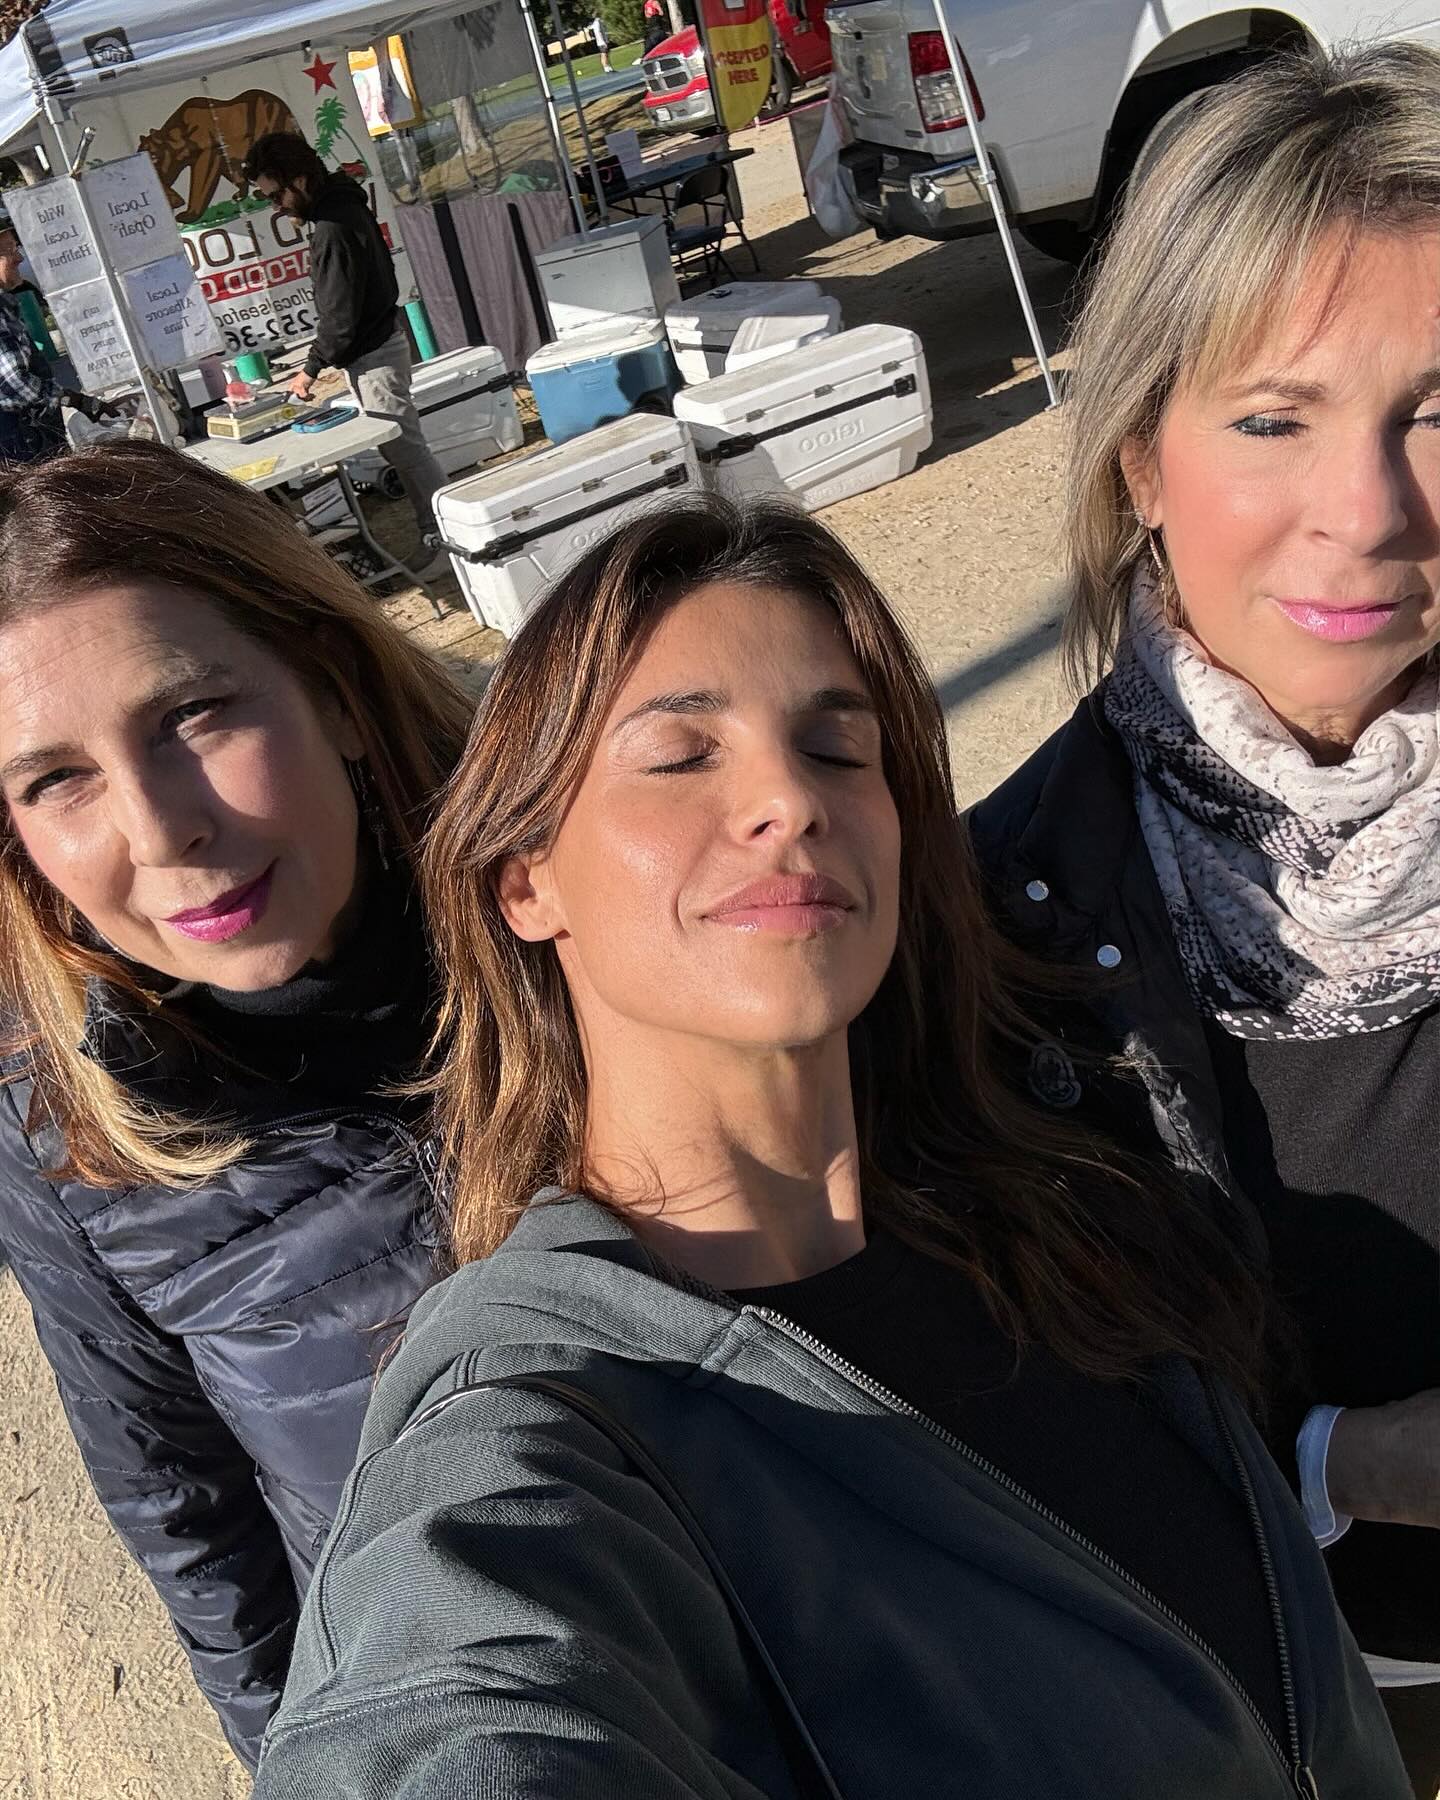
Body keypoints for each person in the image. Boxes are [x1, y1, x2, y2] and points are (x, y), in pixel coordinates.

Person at [254, 497, 1403, 1799]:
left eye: (838, 749)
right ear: (526, 877)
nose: (788, 800)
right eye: (680, 755)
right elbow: (461, 1714)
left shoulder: (1064, 1211)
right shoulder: (546, 1427)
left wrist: (1349, 1460)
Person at [969, 42, 1440, 1799]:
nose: (1370, 512)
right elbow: (999, 1407)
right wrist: (1340, 1463)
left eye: (1437, 409)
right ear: (1140, 458)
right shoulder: (990, 921)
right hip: (1288, 1708)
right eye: (1272, 418)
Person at [0, 441, 472, 1773]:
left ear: (333, 687)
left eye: (194, 715)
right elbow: (179, 1499)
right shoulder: (58, 1121)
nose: (160, 831)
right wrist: (299, 1763)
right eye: (55, 779)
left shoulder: (591, 906)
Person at [239, 132, 447, 565]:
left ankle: (443, 537)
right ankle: (439, 532)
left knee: (405, 449)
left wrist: (311, 368)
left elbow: (340, 316)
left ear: (300, 180)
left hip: (375, 352)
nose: (276, 207)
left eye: (276, 195)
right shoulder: (340, 209)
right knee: (401, 446)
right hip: (375, 347)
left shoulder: (333, 226)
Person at [0, 220, 112, 463]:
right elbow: (17, 384)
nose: (19, 258)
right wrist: (73, 399)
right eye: (10, 250)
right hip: (22, 445)